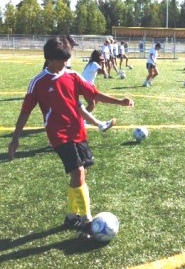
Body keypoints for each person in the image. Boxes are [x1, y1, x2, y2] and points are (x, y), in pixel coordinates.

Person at [8, 37, 134, 240]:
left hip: (78, 132)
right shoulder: (38, 82)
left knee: (79, 176)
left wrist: (120, 102)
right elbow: (24, 113)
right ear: (49, 59)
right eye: (61, 61)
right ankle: (87, 221)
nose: (65, 64)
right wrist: (15, 139)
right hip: (58, 135)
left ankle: (70, 217)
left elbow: (94, 94)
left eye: (67, 60)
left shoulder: (73, 76)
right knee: (78, 172)